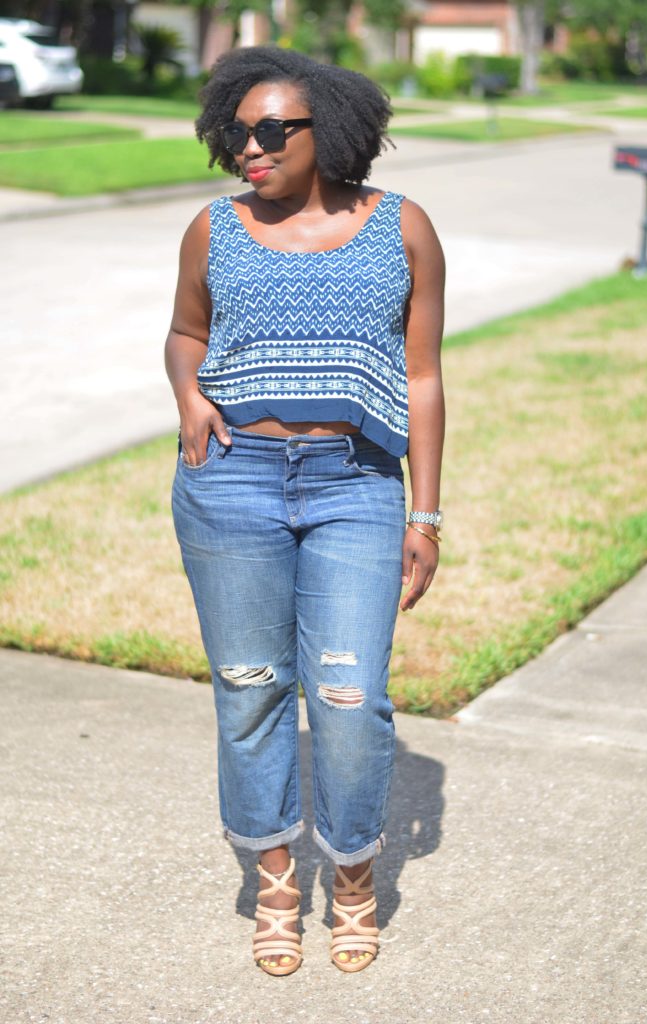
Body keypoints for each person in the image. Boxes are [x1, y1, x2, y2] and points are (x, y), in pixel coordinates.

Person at [165, 45, 445, 977]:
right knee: (250, 689)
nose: (252, 147)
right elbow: (187, 332)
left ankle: (353, 873)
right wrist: (188, 395)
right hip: (230, 479)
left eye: (274, 130)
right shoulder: (215, 227)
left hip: (355, 482)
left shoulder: (402, 226)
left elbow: (423, 376)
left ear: (332, 129)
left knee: (350, 697)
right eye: (238, 132)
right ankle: (278, 881)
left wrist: (426, 516)